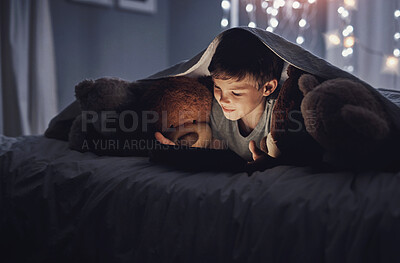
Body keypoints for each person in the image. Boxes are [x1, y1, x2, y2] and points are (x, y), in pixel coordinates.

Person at [155, 29, 285, 165]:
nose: (222, 99)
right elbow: (214, 148)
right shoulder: (218, 110)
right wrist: (182, 151)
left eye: (236, 93)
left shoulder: (278, 115)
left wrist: (271, 163)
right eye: (217, 87)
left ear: (267, 88)